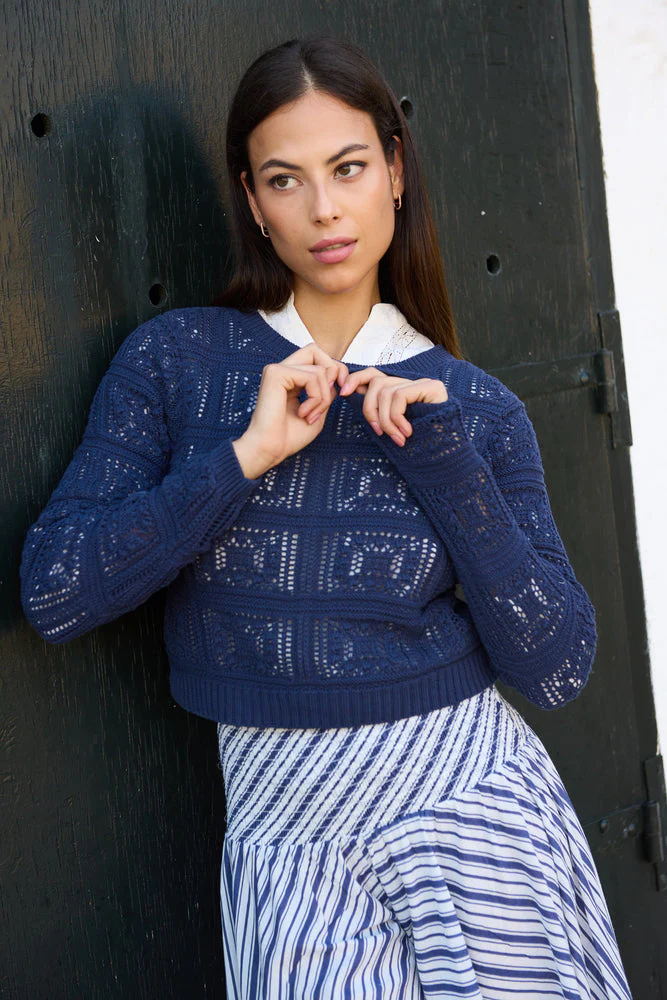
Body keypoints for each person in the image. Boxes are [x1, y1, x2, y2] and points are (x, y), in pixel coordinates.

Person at [20, 33, 633, 1000]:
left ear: (395, 172)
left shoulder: (471, 408)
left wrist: (443, 462)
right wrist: (242, 460)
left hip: (467, 808)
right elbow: (56, 593)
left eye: (347, 167)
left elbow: (556, 665)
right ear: (252, 201)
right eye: (285, 179)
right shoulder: (174, 362)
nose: (324, 209)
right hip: (284, 837)